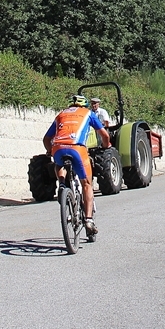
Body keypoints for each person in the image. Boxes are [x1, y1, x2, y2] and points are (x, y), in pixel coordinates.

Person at [43, 94, 110, 237]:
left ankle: (61, 184)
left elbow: (46, 138)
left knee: (58, 163)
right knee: (87, 184)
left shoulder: (61, 114)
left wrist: (50, 151)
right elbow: (104, 135)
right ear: (84, 105)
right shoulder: (88, 113)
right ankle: (89, 220)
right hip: (77, 149)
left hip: (58, 148)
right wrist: (106, 145)